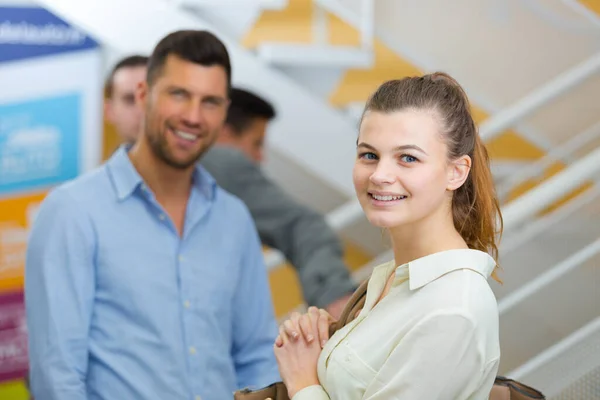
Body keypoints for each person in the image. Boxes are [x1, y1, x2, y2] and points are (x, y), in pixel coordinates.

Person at [25, 30, 280, 400]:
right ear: (144, 95)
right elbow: (57, 377)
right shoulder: (72, 213)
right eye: (179, 94)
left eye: (210, 102)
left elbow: (257, 356)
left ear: (224, 111)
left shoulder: (234, 219)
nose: (193, 116)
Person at [273, 72, 503, 399]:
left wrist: (302, 382)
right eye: (369, 155)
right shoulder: (394, 279)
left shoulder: (453, 309)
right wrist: (323, 344)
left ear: (456, 172)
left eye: (407, 158)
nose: (380, 175)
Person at [103, 58, 355, 316]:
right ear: (109, 110)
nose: (143, 108)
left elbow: (302, 226)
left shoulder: (216, 167)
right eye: (129, 98)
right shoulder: (96, 190)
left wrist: (332, 292)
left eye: (154, 94)